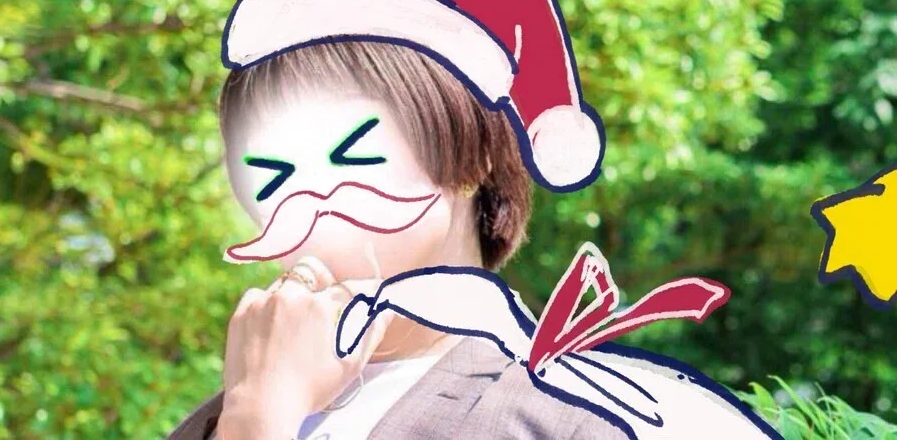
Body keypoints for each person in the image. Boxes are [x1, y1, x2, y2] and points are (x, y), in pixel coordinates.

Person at [168, 41, 624, 439]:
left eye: (352, 150)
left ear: (471, 152)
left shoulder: (566, 423)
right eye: (273, 169)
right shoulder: (221, 417)